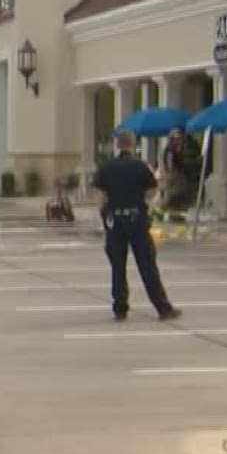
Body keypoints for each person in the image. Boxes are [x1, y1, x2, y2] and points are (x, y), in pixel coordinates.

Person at [91, 128, 180, 322]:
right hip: (137, 219)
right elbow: (153, 191)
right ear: (133, 144)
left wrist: (106, 214)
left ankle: (120, 308)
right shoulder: (141, 167)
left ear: (117, 145)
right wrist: (147, 209)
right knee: (147, 265)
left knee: (118, 266)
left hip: (115, 220)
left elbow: (99, 195)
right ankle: (162, 307)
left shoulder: (106, 168)